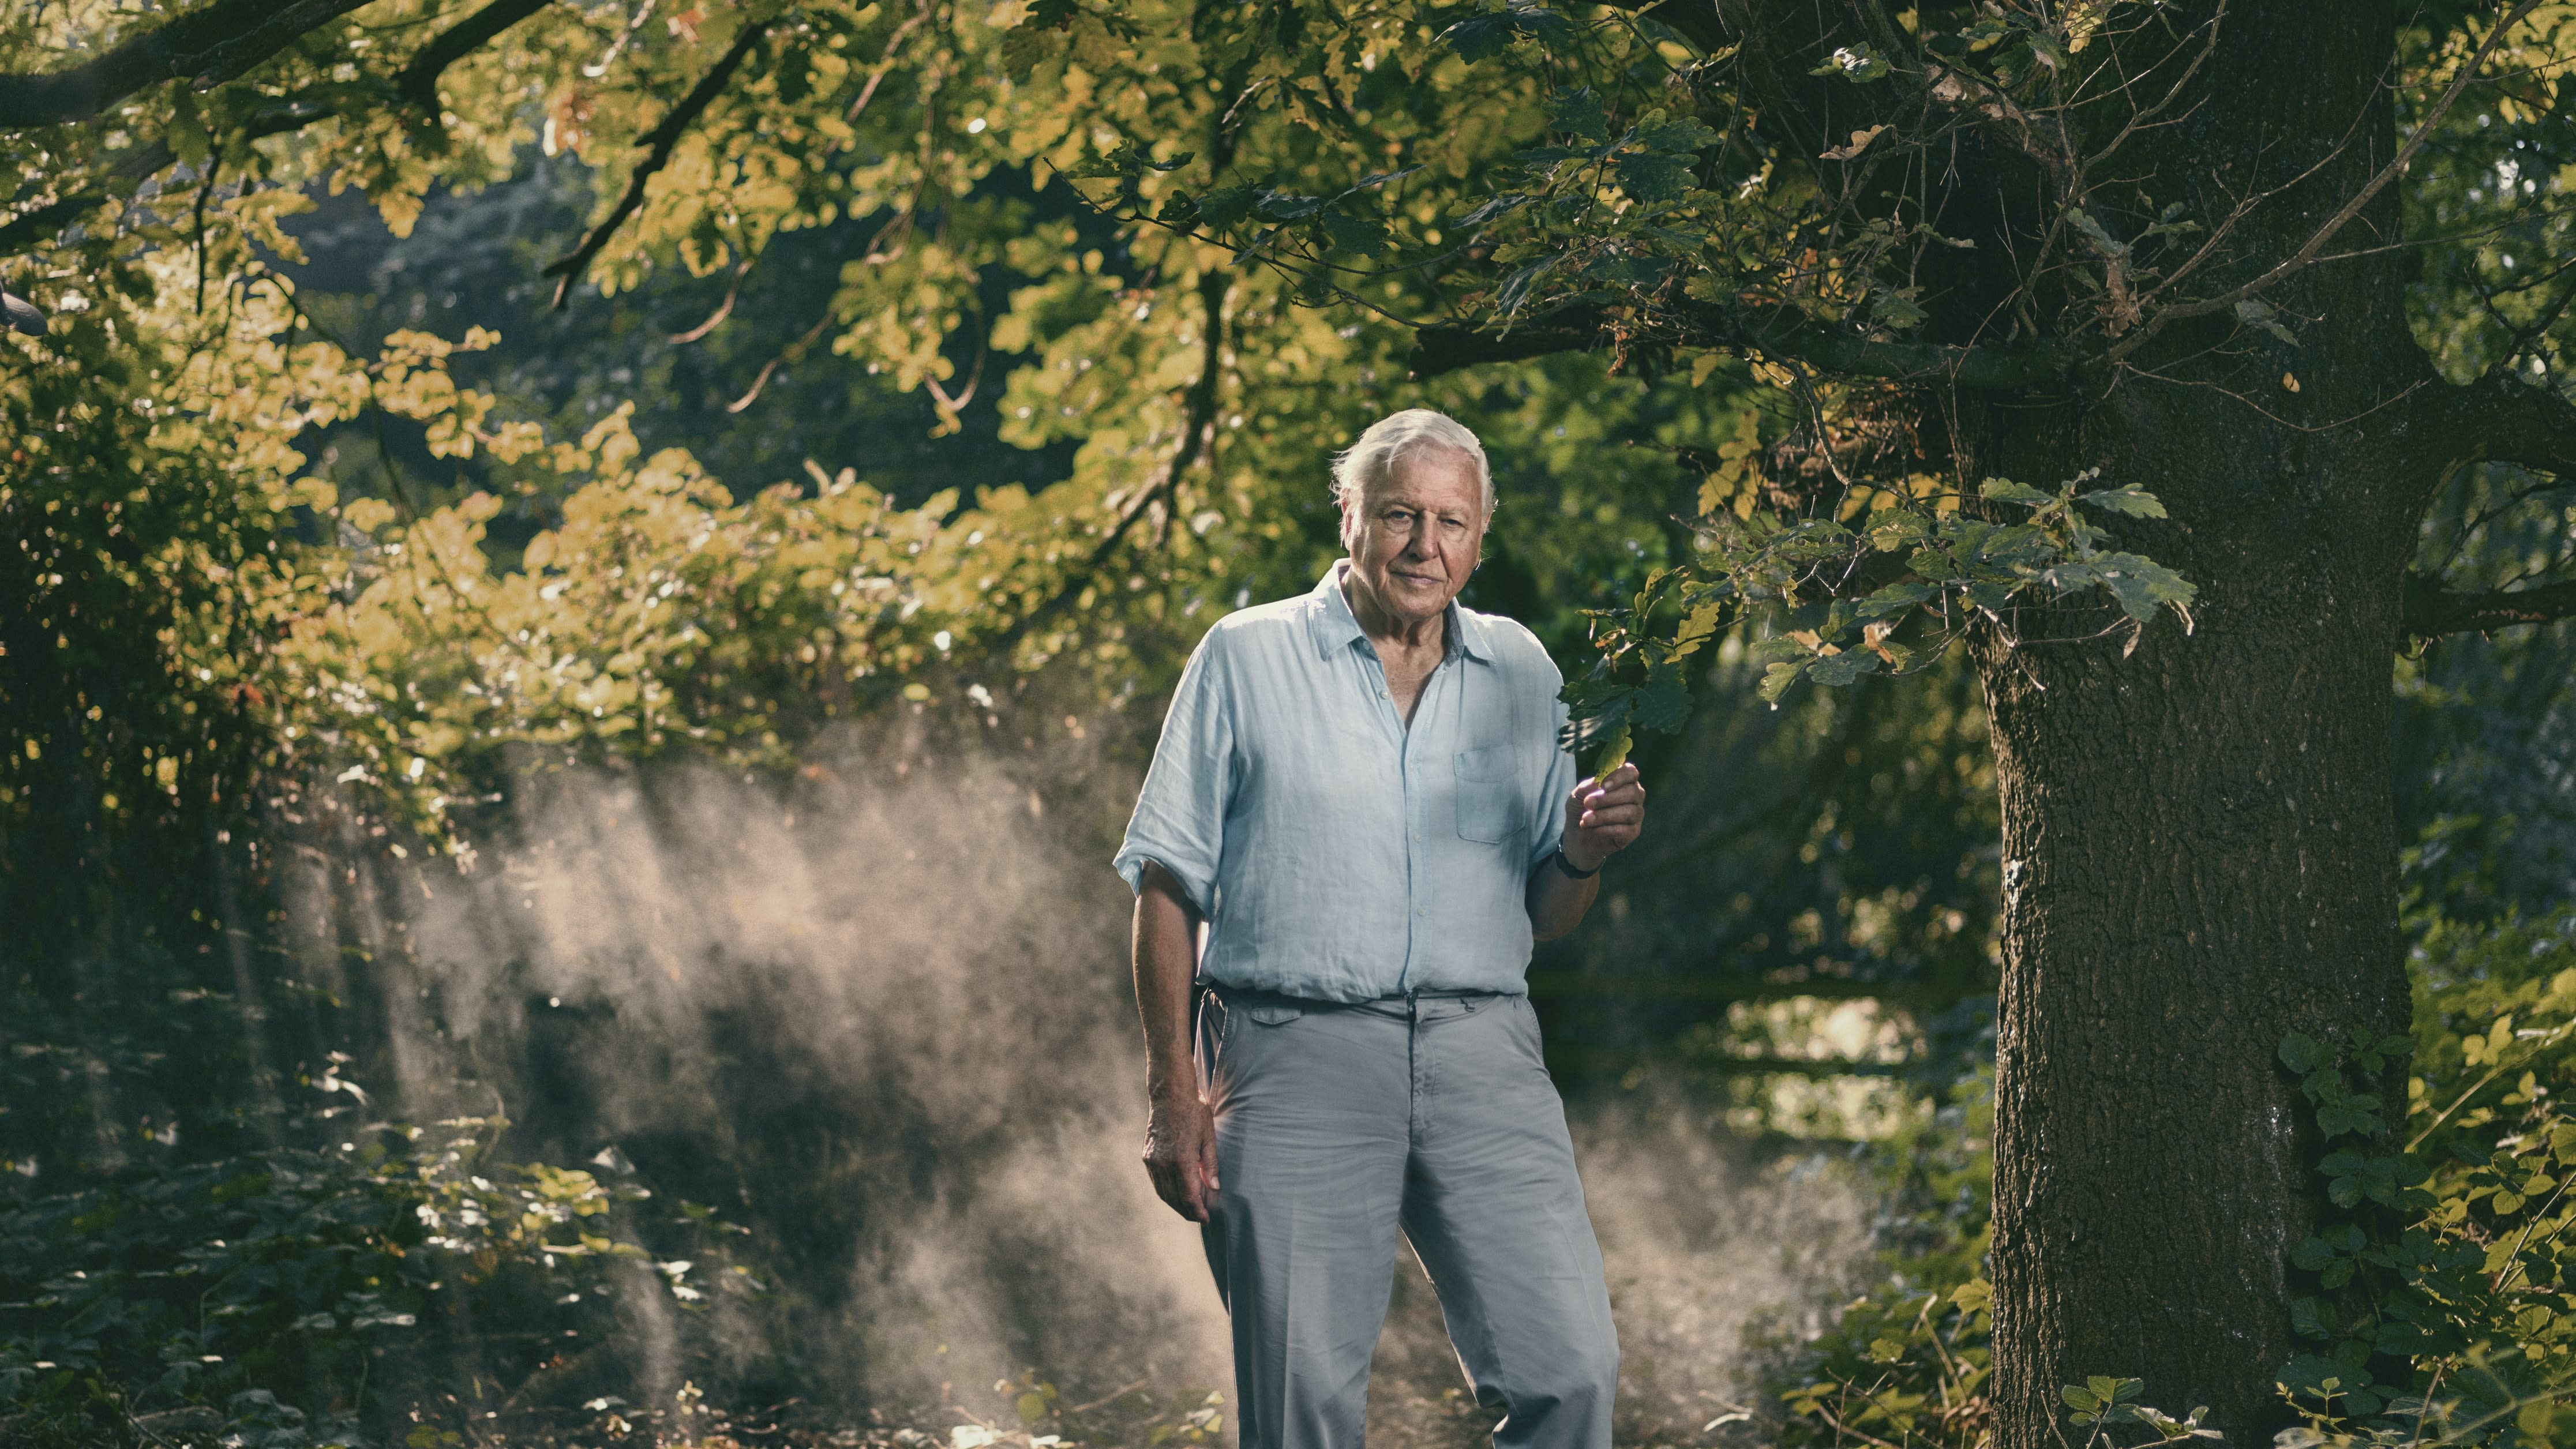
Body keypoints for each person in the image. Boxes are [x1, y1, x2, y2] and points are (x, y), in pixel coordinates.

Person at [1112, 408, 1647, 1449]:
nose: (1424, 546)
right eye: (1400, 514)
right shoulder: (1244, 656)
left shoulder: (1527, 672)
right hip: (1289, 1053)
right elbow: (1165, 887)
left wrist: (1583, 854)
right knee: (1301, 1413)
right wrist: (1171, 1094)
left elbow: (1547, 917)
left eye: (1451, 522)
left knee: (1571, 1374)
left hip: (1485, 1053)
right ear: (1349, 513)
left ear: (1479, 540)